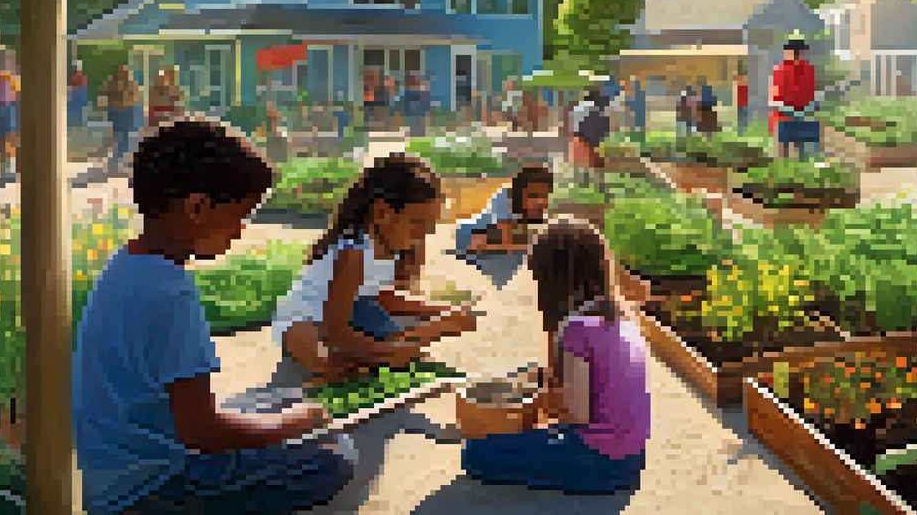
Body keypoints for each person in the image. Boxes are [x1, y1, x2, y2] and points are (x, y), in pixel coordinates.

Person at [73, 118, 353, 514]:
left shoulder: (127, 264)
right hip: (152, 485)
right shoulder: (171, 293)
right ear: (197, 207)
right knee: (333, 455)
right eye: (241, 216)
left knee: (288, 399)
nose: (240, 232)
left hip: (114, 469)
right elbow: (202, 431)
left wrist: (292, 416)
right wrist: (297, 424)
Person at [462, 220, 650, 494]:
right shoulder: (620, 319)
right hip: (634, 458)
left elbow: (575, 413)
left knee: (475, 453)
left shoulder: (576, 330)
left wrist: (535, 403)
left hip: (598, 462)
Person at [272, 153, 478, 384]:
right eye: (417, 224)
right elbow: (336, 333)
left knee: (387, 351)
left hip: (356, 310)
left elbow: (379, 295)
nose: (423, 235)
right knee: (329, 367)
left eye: (430, 227)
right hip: (305, 319)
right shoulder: (353, 253)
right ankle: (391, 350)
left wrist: (443, 310)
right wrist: (413, 340)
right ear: (382, 214)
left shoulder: (394, 246)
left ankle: (391, 349)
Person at [454, 163, 556, 259]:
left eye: (545, 196)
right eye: (532, 196)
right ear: (518, 194)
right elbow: (506, 245)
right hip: (470, 233)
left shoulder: (533, 213)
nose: (540, 202)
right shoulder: (505, 203)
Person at [770, 36, 819, 160]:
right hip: (803, 114)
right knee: (801, 149)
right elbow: (812, 93)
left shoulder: (780, 70)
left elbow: (777, 95)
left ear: (789, 52)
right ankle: (800, 173)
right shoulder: (809, 70)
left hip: (785, 115)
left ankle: (785, 173)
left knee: (784, 151)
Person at [101, 65, 143, 173]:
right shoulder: (112, 83)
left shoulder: (130, 83)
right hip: (116, 112)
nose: (123, 74)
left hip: (127, 111)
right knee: (118, 136)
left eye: (125, 72)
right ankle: (116, 159)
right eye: (121, 72)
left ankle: (117, 159)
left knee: (124, 136)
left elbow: (136, 96)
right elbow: (106, 96)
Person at [0, 28, 18, 179]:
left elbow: (10, 74)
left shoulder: (4, 54)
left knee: (7, 135)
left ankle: (10, 168)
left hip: (5, 100)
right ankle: (4, 168)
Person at [69, 59, 90, 133]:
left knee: (77, 109)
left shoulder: (78, 77)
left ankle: (76, 122)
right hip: (78, 93)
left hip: (78, 93)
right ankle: (76, 123)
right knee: (77, 109)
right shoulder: (80, 77)